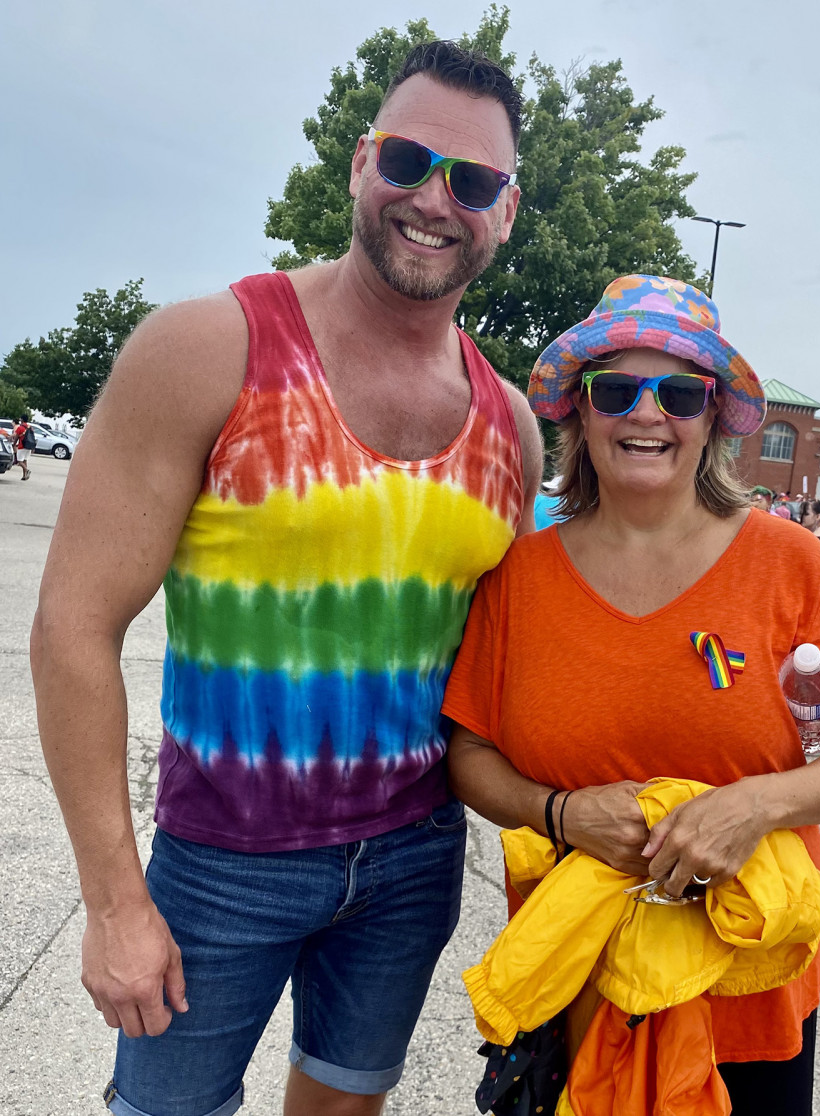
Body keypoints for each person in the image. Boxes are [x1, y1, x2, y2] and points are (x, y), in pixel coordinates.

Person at [31, 41, 541, 1116]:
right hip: (221, 857)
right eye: (406, 160)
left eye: (472, 180)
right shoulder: (207, 349)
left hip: (413, 859)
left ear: (504, 210)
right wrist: (113, 901)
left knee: (346, 1105)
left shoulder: (512, 429)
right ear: (361, 163)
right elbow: (73, 628)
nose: (433, 199)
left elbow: (512, 668)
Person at [441, 274, 820, 1116]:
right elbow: (468, 752)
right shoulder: (520, 577)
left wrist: (755, 806)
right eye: (616, 390)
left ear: (713, 415)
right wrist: (559, 812)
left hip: (747, 992)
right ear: (581, 411)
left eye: (681, 393)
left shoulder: (790, 563)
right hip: (575, 985)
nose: (647, 414)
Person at [12, 414, 32, 479]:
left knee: (19, 461)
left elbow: (16, 437)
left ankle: (27, 470)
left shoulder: (20, 427)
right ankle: (24, 476)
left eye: (21, 419)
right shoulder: (30, 427)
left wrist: (14, 444)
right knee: (25, 461)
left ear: (22, 419)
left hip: (22, 446)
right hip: (28, 446)